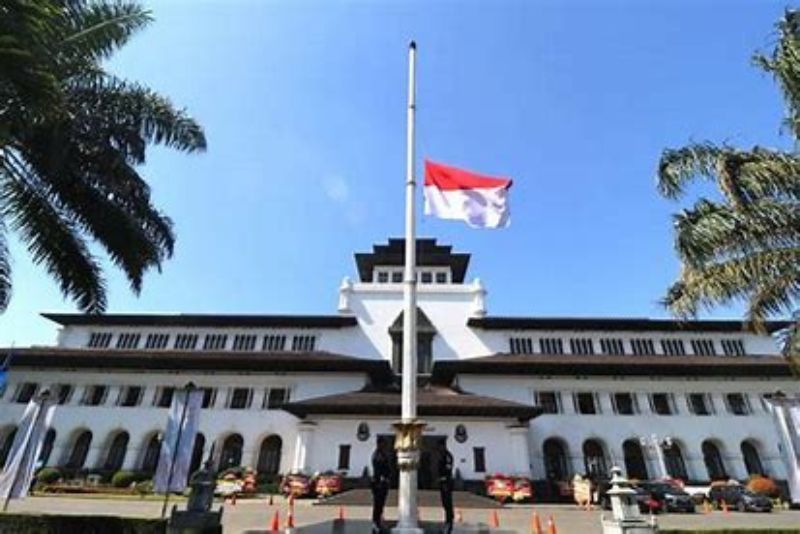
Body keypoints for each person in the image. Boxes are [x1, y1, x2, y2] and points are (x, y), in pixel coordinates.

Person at [371, 437, 392, 533]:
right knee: (378, 504)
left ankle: (378, 521)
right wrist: (382, 478)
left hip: (383, 482)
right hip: (379, 482)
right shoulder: (378, 455)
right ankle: (375, 522)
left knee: (381, 503)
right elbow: (379, 469)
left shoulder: (382, 454)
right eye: (383, 444)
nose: (385, 446)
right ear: (379, 444)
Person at [436, 440, 454, 533]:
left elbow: (448, 469)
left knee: (447, 502)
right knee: (444, 502)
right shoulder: (442, 456)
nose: (439, 449)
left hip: (446, 482)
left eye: (440, 447)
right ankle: (447, 520)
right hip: (442, 482)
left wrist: (443, 478)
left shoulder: (447, 456)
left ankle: (449, 522)